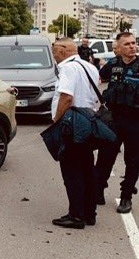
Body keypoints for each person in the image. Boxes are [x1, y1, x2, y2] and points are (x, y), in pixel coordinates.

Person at [50, 38, 100, 229]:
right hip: (87, 122)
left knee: (72, 172)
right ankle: (89, 213)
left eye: (54, 50)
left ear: (63, 50)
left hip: (71, 125)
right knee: (87, 169)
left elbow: (66, 97)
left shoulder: (68, 68)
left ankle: (76, 215)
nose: (53, 54)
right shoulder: (89, 67)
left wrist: (56, 121)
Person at [95, 32, 139, 213]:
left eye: (134, 43)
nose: (132, 46)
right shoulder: (112, 65)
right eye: (127, 44)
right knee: (105, 157)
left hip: (135, 121)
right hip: (113, 119)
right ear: (118, 48)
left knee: (133, 161)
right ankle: (97, 191)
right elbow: (98, 79)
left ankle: (126, 196)